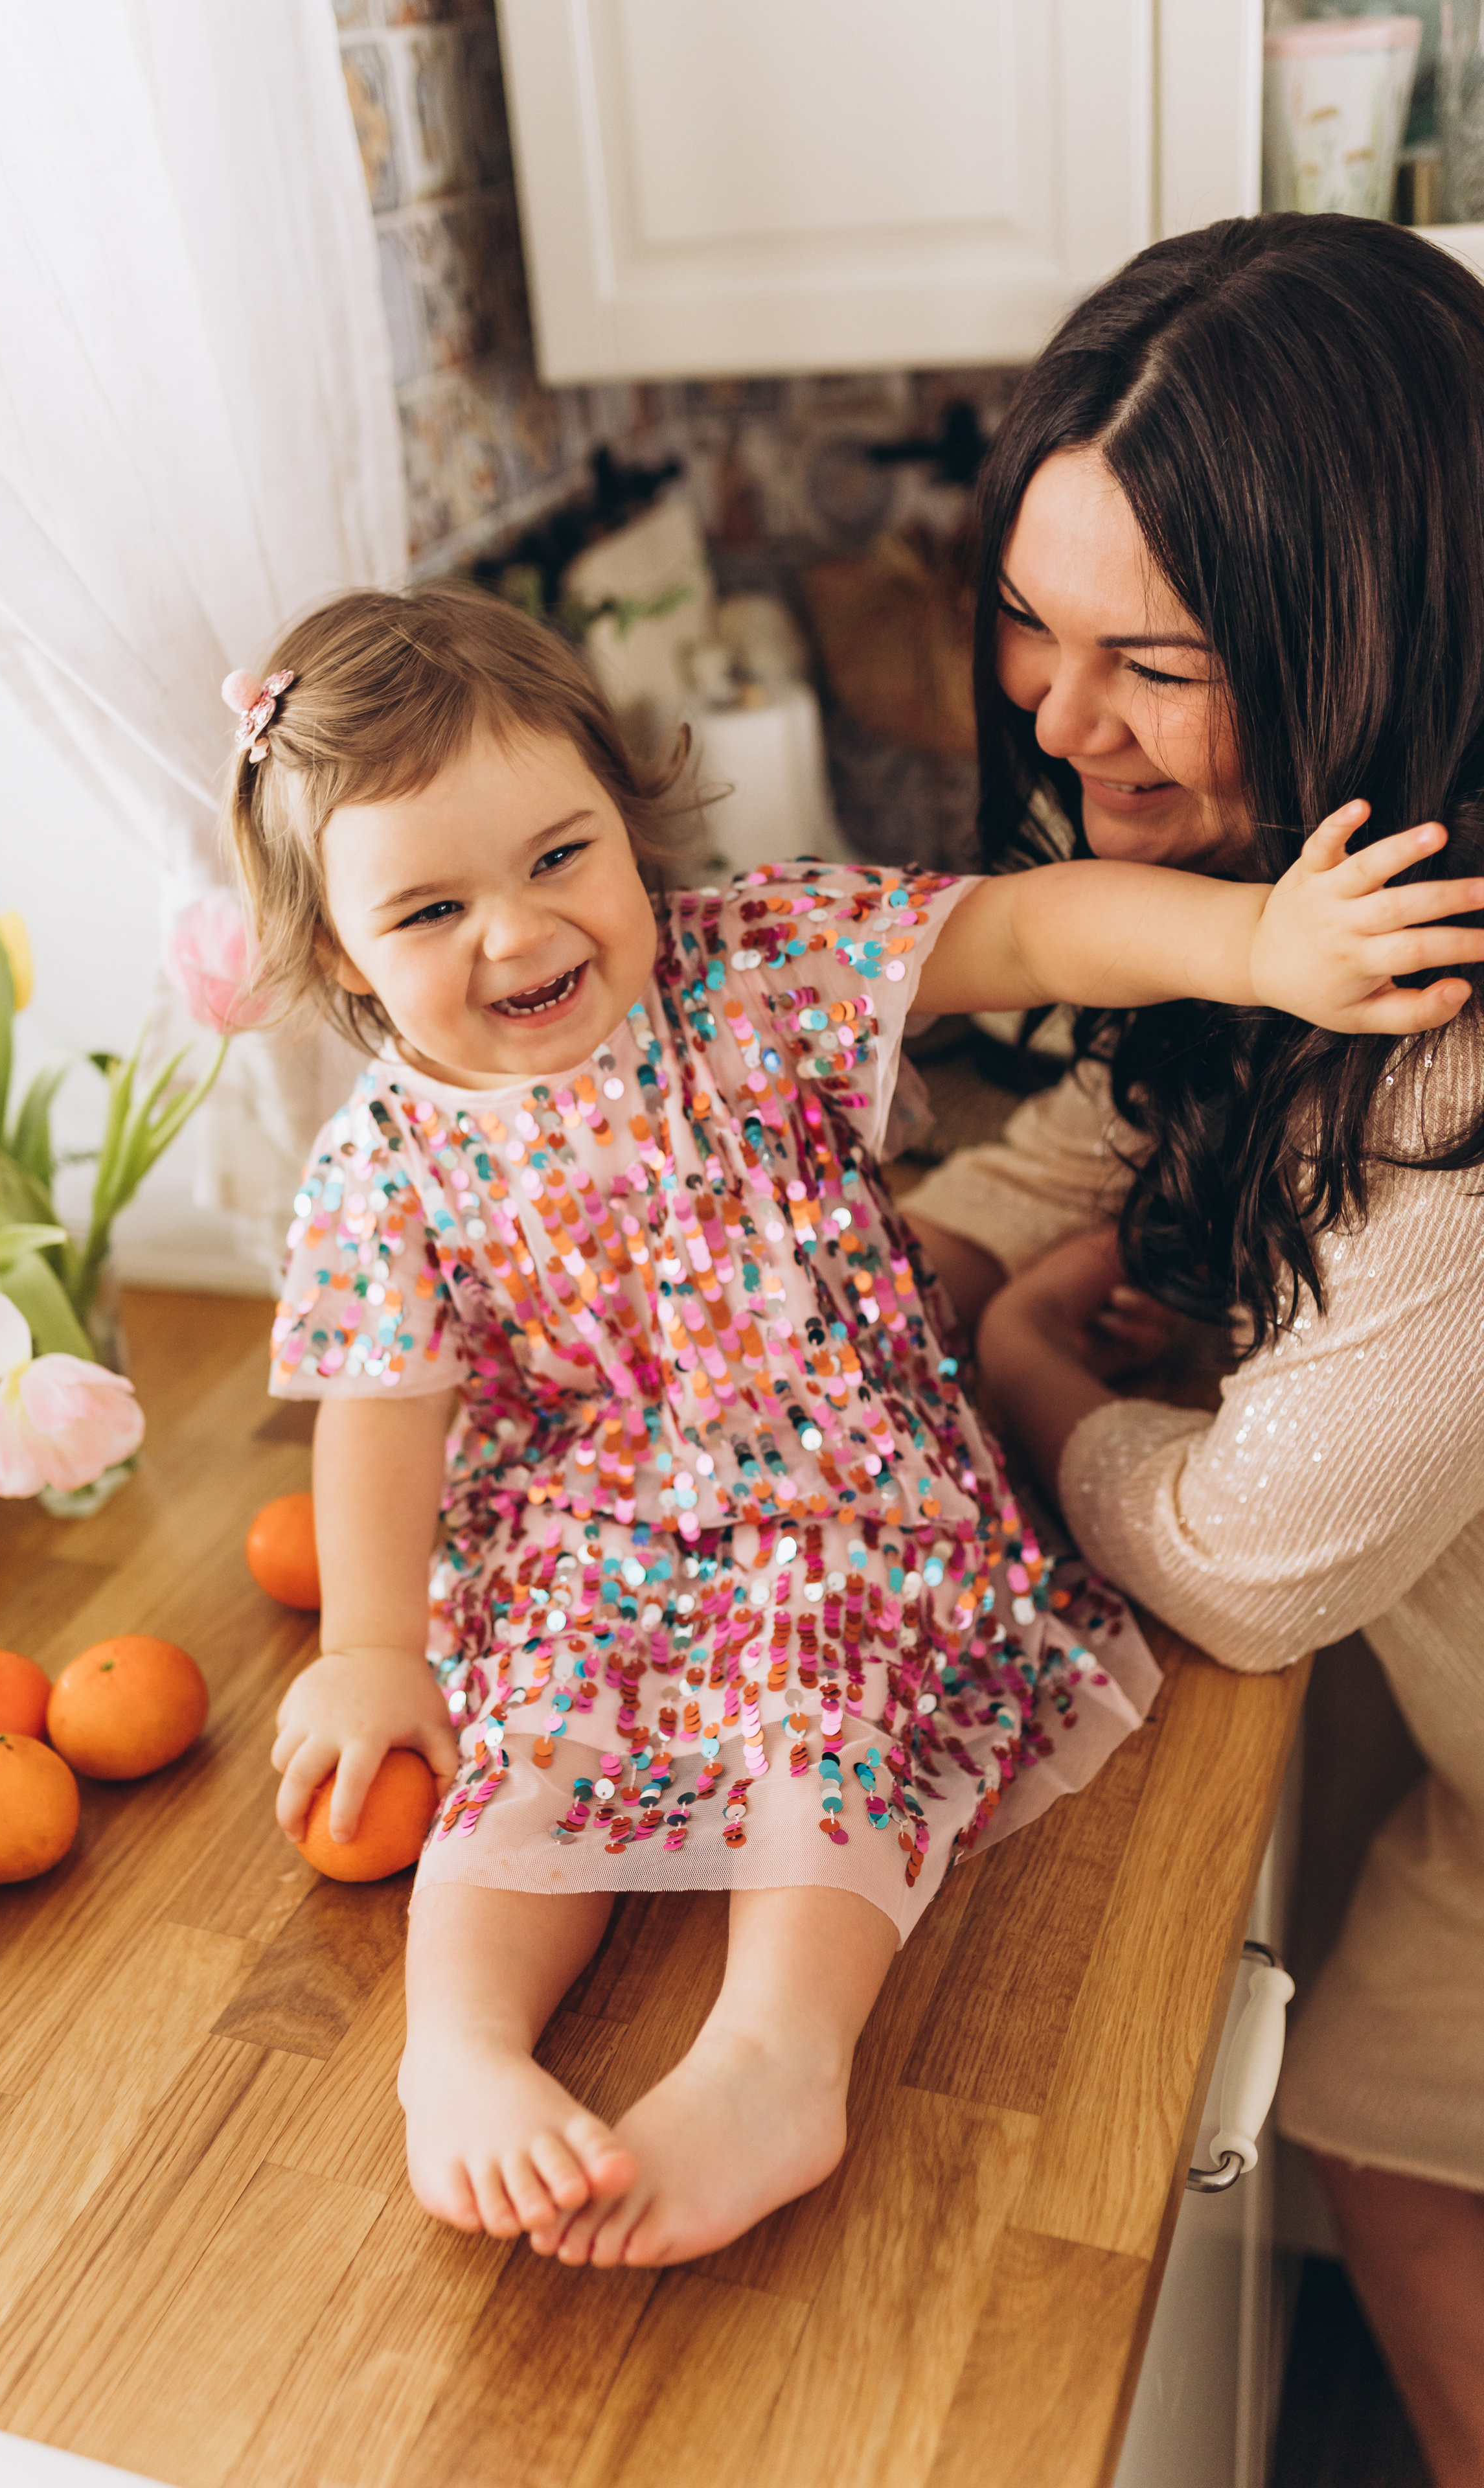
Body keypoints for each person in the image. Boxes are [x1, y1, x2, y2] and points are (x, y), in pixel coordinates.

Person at [222, 581, 1477, 2275]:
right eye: (430, 906)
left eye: (557, 857)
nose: (516, 934)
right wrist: (377, 1647)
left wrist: (1256, 948)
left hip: (849, 1488)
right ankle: (459, 2054)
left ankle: (772, 2059)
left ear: (628, 822)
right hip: (590, 1531)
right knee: (522, 1739)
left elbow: (1027, 935)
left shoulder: (754, 964)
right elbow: (381, 1412)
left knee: (839, 1705)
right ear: (331, 954)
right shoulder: (382, 1159)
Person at [898, 213, 1484, 2487]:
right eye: (1030, 631)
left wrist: (1041, 1374)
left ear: (1382, 621)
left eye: (1149, 656)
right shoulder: (1318, 896)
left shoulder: (1444, 1056)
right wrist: (920, 1256)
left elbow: (1252, 1563)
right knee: (1391, 2134)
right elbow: (1107, 1132)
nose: (1059, 719)